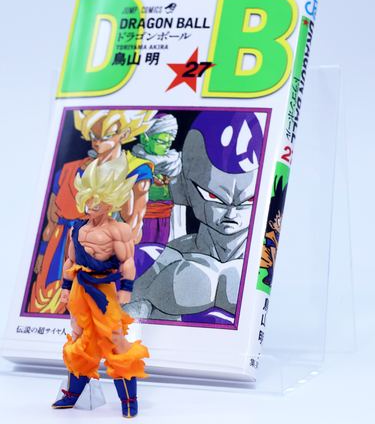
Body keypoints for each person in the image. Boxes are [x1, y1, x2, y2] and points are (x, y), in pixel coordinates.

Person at [128, 111, 263, 324]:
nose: (231, 213)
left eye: (248, 200)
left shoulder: (267, 264)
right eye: (214, 197)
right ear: (182, 188)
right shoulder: (155, 262)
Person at [28, 110, 155, 314]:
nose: (97, 142)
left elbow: (133, 228)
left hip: (102, 258)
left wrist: (123, 281)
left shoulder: (135, 171)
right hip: (59, 248)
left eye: (106, 136)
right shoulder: (70, 169)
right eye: (94, 136)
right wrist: (42, 252)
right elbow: (52, 217)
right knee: (47, 306)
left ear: (124, 134)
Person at [52, 155, 149, 418]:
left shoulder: (119, 230)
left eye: (96, 199)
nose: (90, 204)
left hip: (104, 289)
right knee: (78, 335)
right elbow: (71, 260)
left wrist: (126, 287)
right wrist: (65, 286)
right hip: (79, 287)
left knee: (115, 337)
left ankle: (129, 399)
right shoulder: (77, 228)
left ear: (109, 202)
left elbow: (127, 261)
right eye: (88, 198)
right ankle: (72, 394)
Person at [130, 113, 182, 244]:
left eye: (169, 142)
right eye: (161, 141)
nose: (167, 146)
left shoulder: (174, 164)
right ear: (145, 138)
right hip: (142, 221)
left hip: (167, 220)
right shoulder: (133, 163)